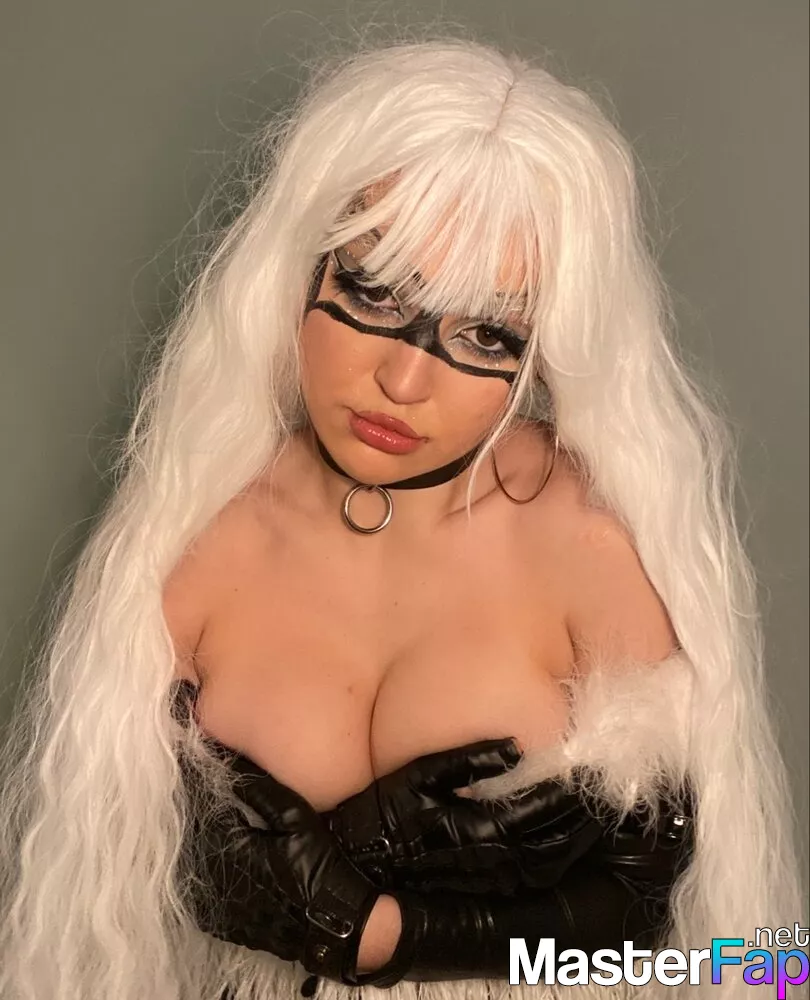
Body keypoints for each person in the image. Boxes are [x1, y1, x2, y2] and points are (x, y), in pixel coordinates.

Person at [0, 37, 802, 1000]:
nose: (405, 380)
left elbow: (732, 945)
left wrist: (381, 930)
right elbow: (118, 863)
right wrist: (340, 858)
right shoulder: (198, 536)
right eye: (372, 293)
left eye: (486, 334)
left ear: (545, 351)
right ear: (296, 272)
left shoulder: (590, 542)